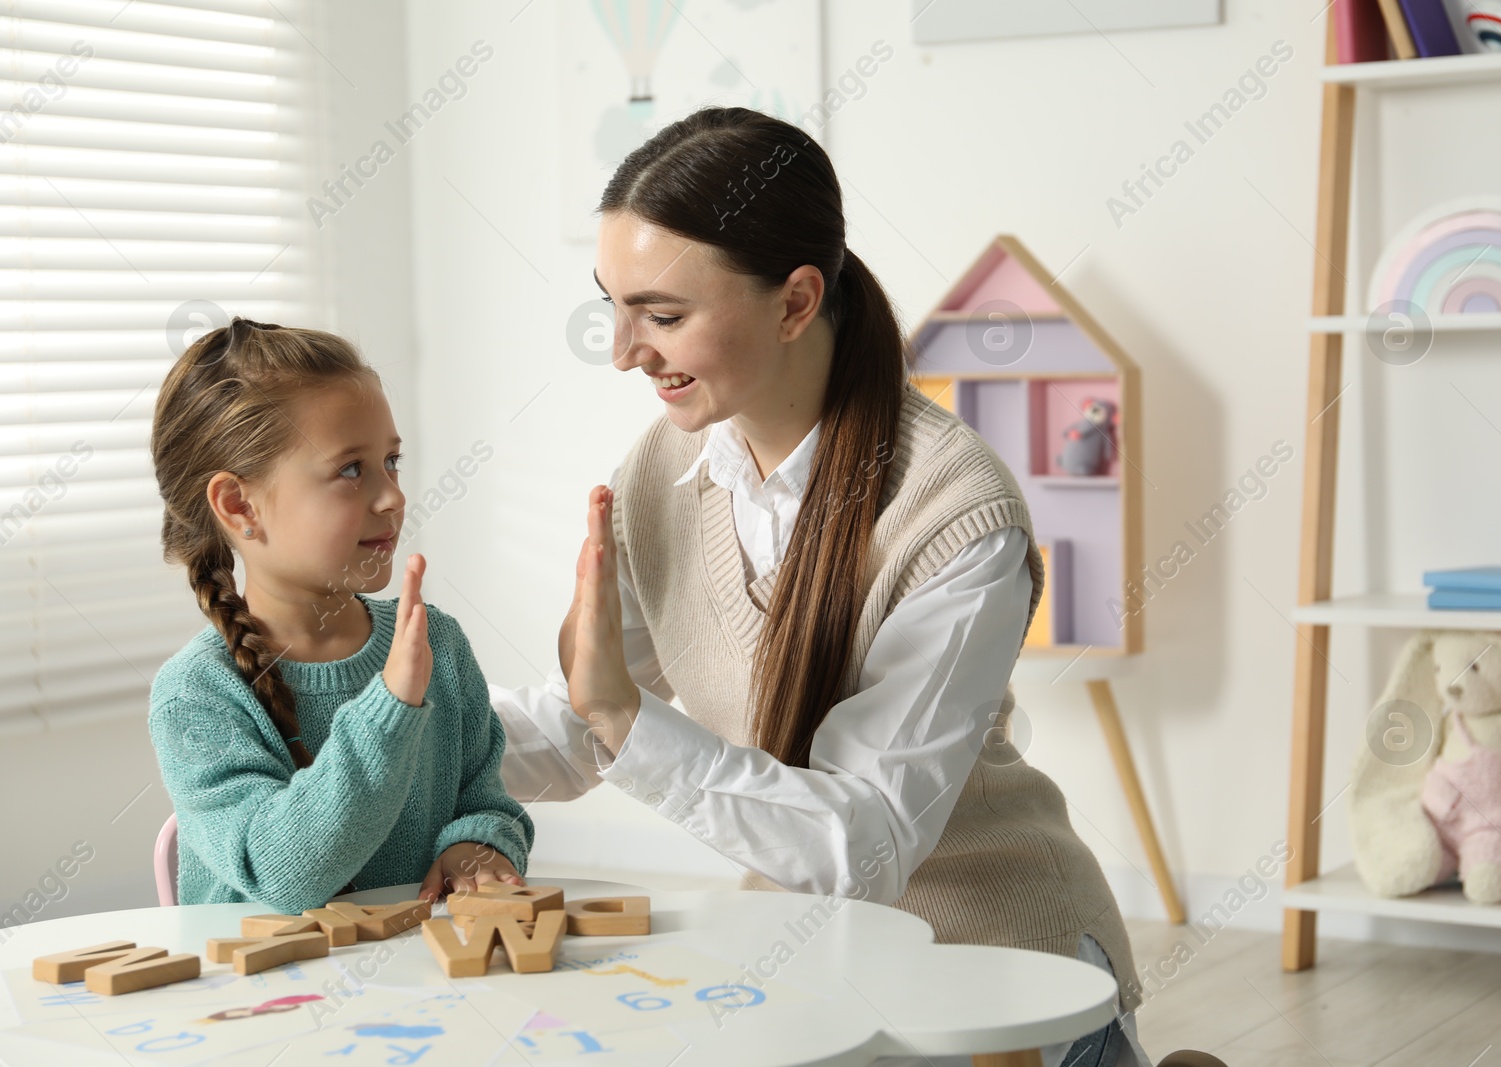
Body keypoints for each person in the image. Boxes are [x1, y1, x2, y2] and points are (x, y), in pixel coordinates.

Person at [491, 106, 1152, 1067]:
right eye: (614, 305)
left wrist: (627, 721)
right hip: (817, 960)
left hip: (999, 972)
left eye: (664, 315)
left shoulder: (953, 512)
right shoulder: (661, 476)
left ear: (796, 303)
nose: (625, 349)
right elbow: (582, 721)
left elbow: (868, 844)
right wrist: (388, 735)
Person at [147, 318, 532, 913]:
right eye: (351, 470)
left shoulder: (439, 647)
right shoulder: (196, 695)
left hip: (419, 991)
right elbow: (287, 878)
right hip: (266, 999)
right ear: (238, 504)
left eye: (392, 461)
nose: (394, 496)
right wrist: (392, 705)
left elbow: (486, 802)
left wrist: (476, 846)